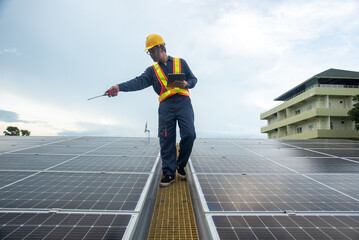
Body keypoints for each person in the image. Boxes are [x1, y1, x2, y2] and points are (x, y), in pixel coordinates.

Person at [105, 34, 197, 187]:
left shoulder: (181, 63)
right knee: (166, 138)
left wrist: (187, 83)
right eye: (149, 52)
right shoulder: (151, 71)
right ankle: (168, 173)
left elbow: (194, 80)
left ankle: (180, 165)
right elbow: (138, 82)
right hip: (166, 106)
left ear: (161, 48)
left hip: (183, 103)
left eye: (152, 51)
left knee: (190, 134)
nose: (151, 55)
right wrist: (119, 87)